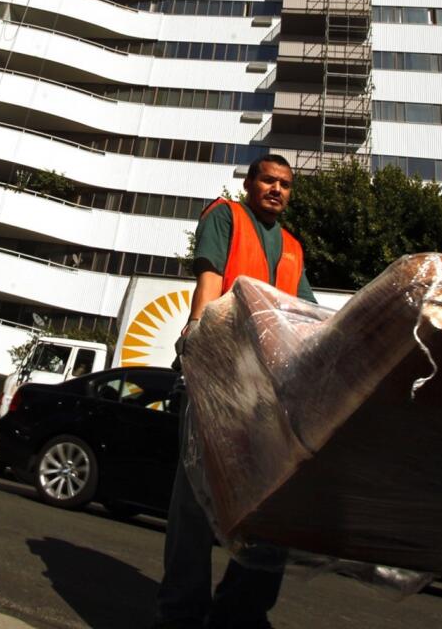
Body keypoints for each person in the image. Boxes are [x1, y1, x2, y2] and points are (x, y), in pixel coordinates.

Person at [153, 153, 315, 629]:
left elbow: (301, 315)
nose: (276, 189)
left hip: (264, 388)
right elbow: (209, 280)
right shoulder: (226, 216)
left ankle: (240, 611)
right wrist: (197, 340)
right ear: (250, 183)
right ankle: (180, 611)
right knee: (193, 501)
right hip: (216, 372)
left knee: (268, 504)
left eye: (285, 184)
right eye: (268, 180)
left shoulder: (292, 248)